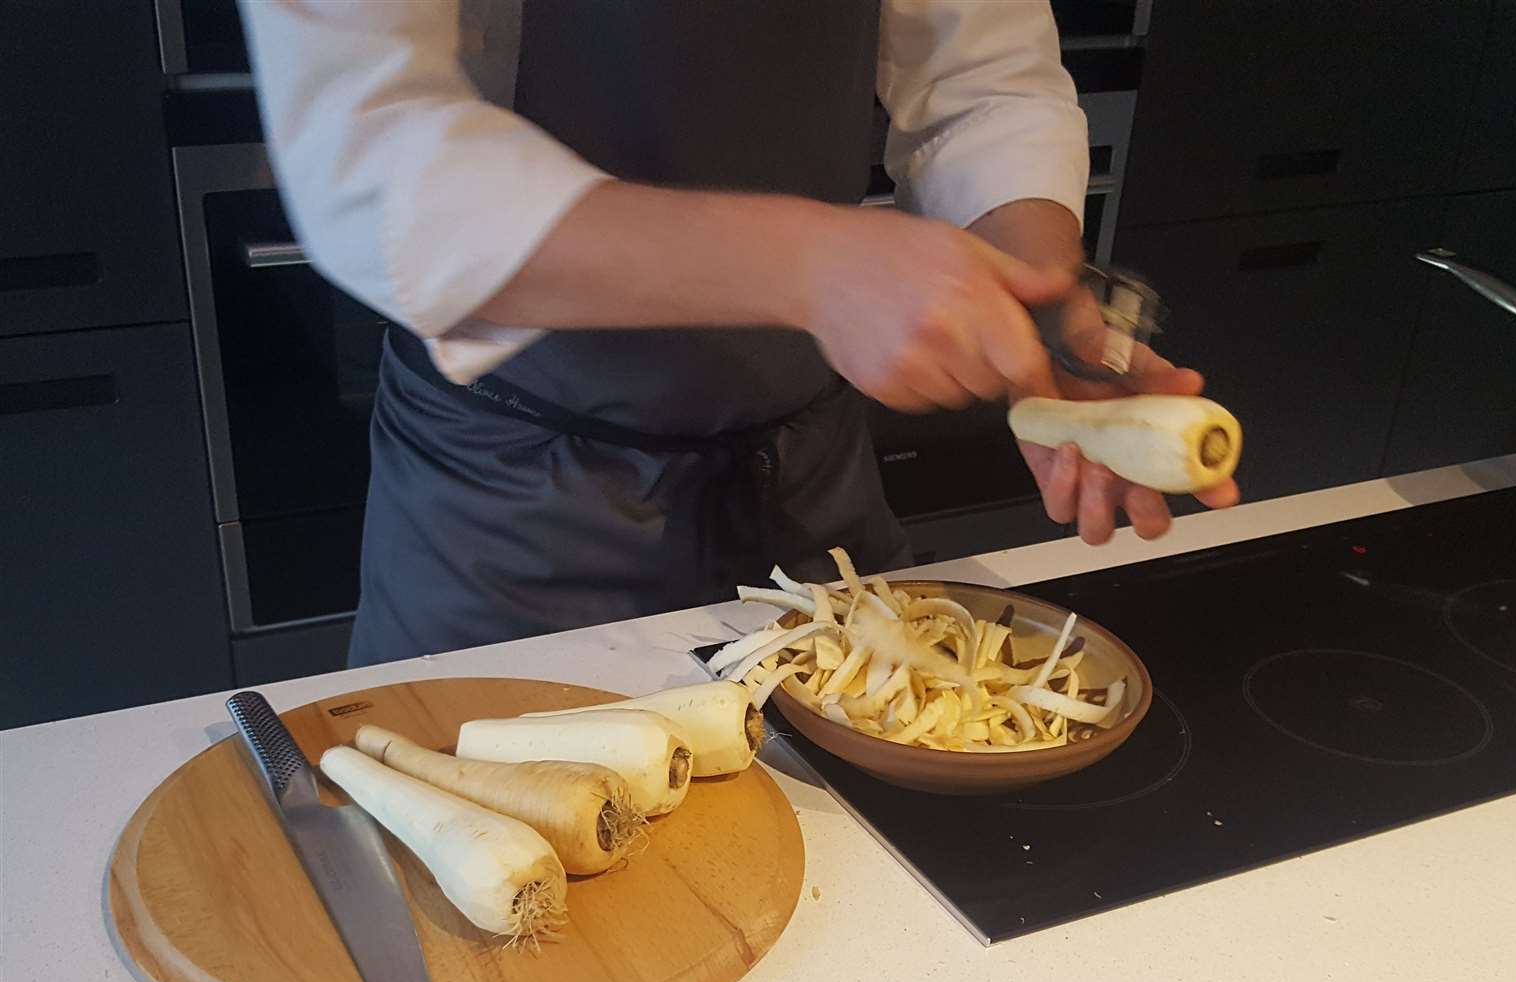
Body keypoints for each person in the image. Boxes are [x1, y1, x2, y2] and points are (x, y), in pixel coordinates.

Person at [241, 0, 1238, 667]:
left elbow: (982, 81)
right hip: (508, 510)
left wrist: (1039, 302)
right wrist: (811, 265)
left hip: (811, 487)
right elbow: (370, 159)